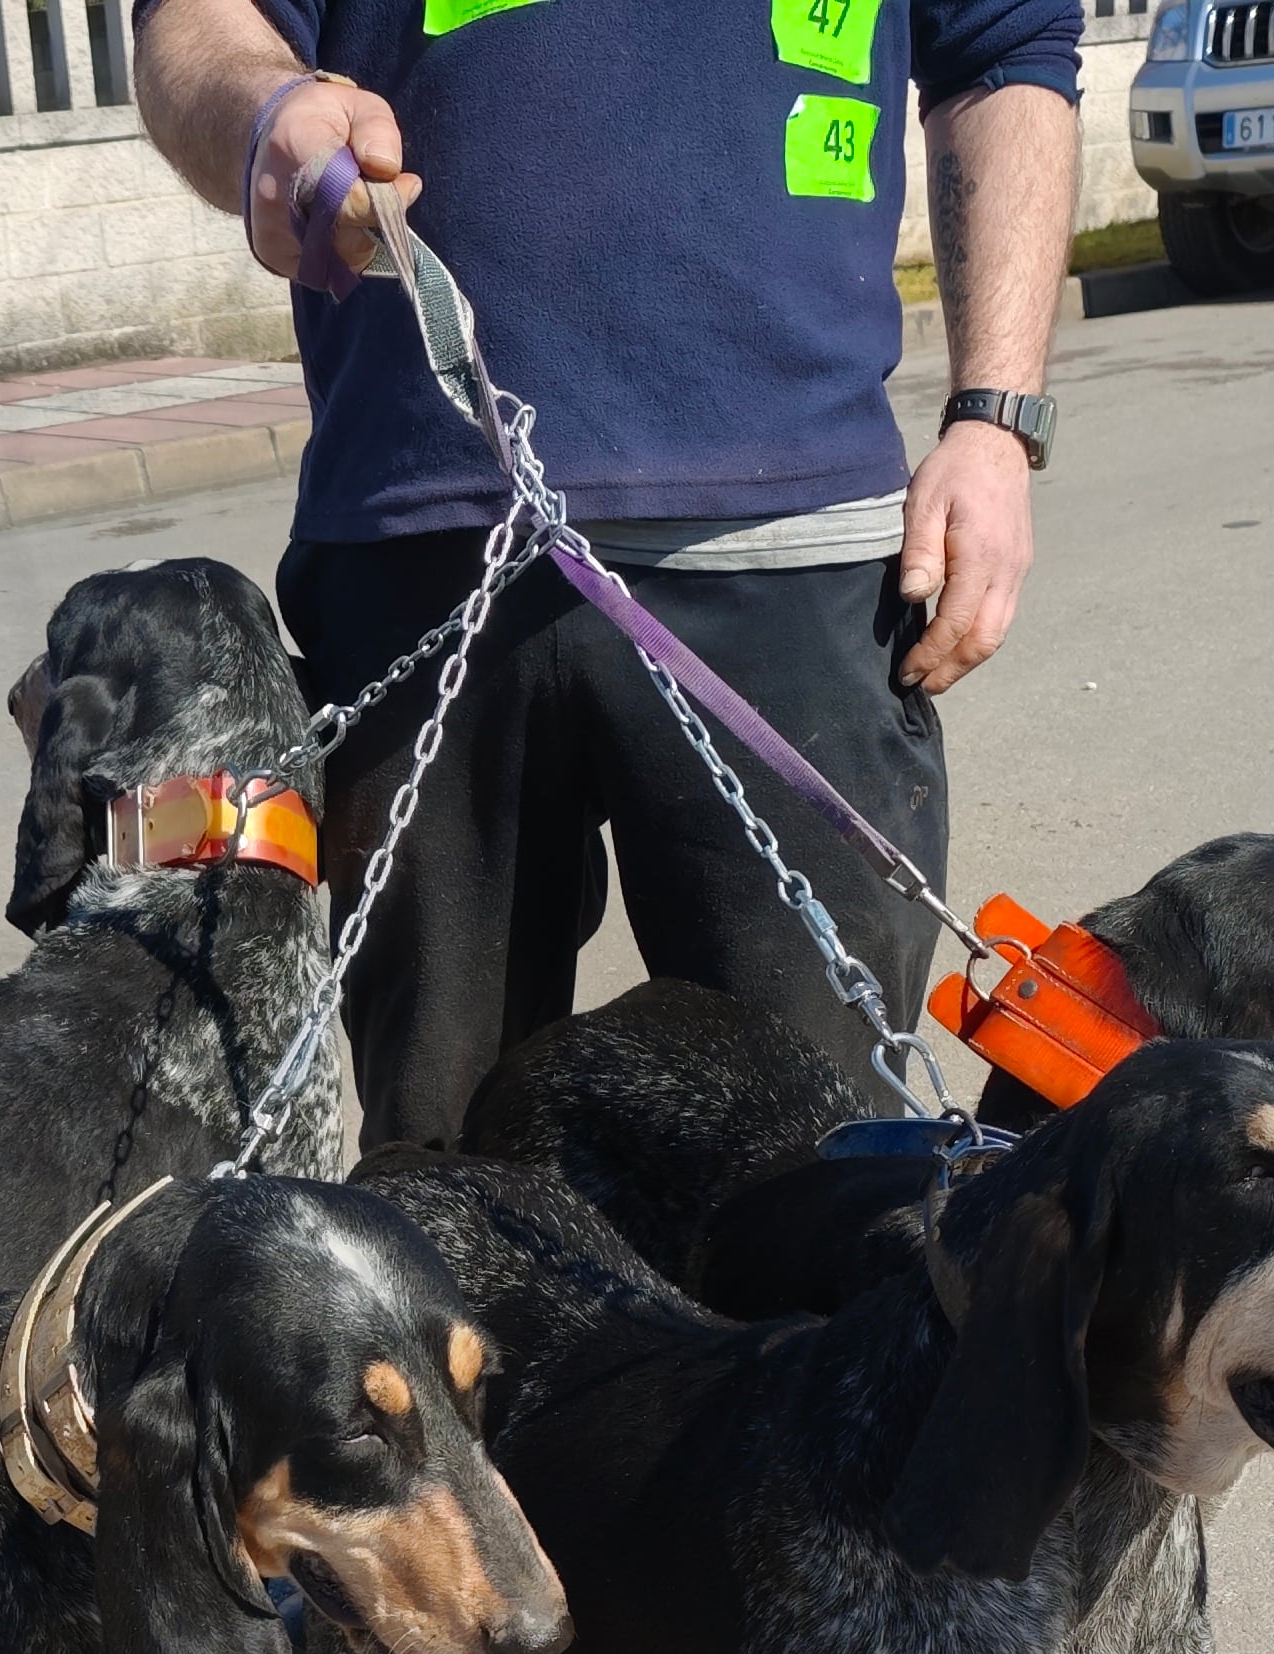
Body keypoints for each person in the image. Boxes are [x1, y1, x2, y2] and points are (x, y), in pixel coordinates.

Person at [133, 0, 1082, 1150]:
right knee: (442, 1171)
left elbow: (1005, 49)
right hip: (424, 544)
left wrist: (994, 420)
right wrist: (265, 109)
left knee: (815, 1176)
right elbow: (197, 21)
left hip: (790, 553)